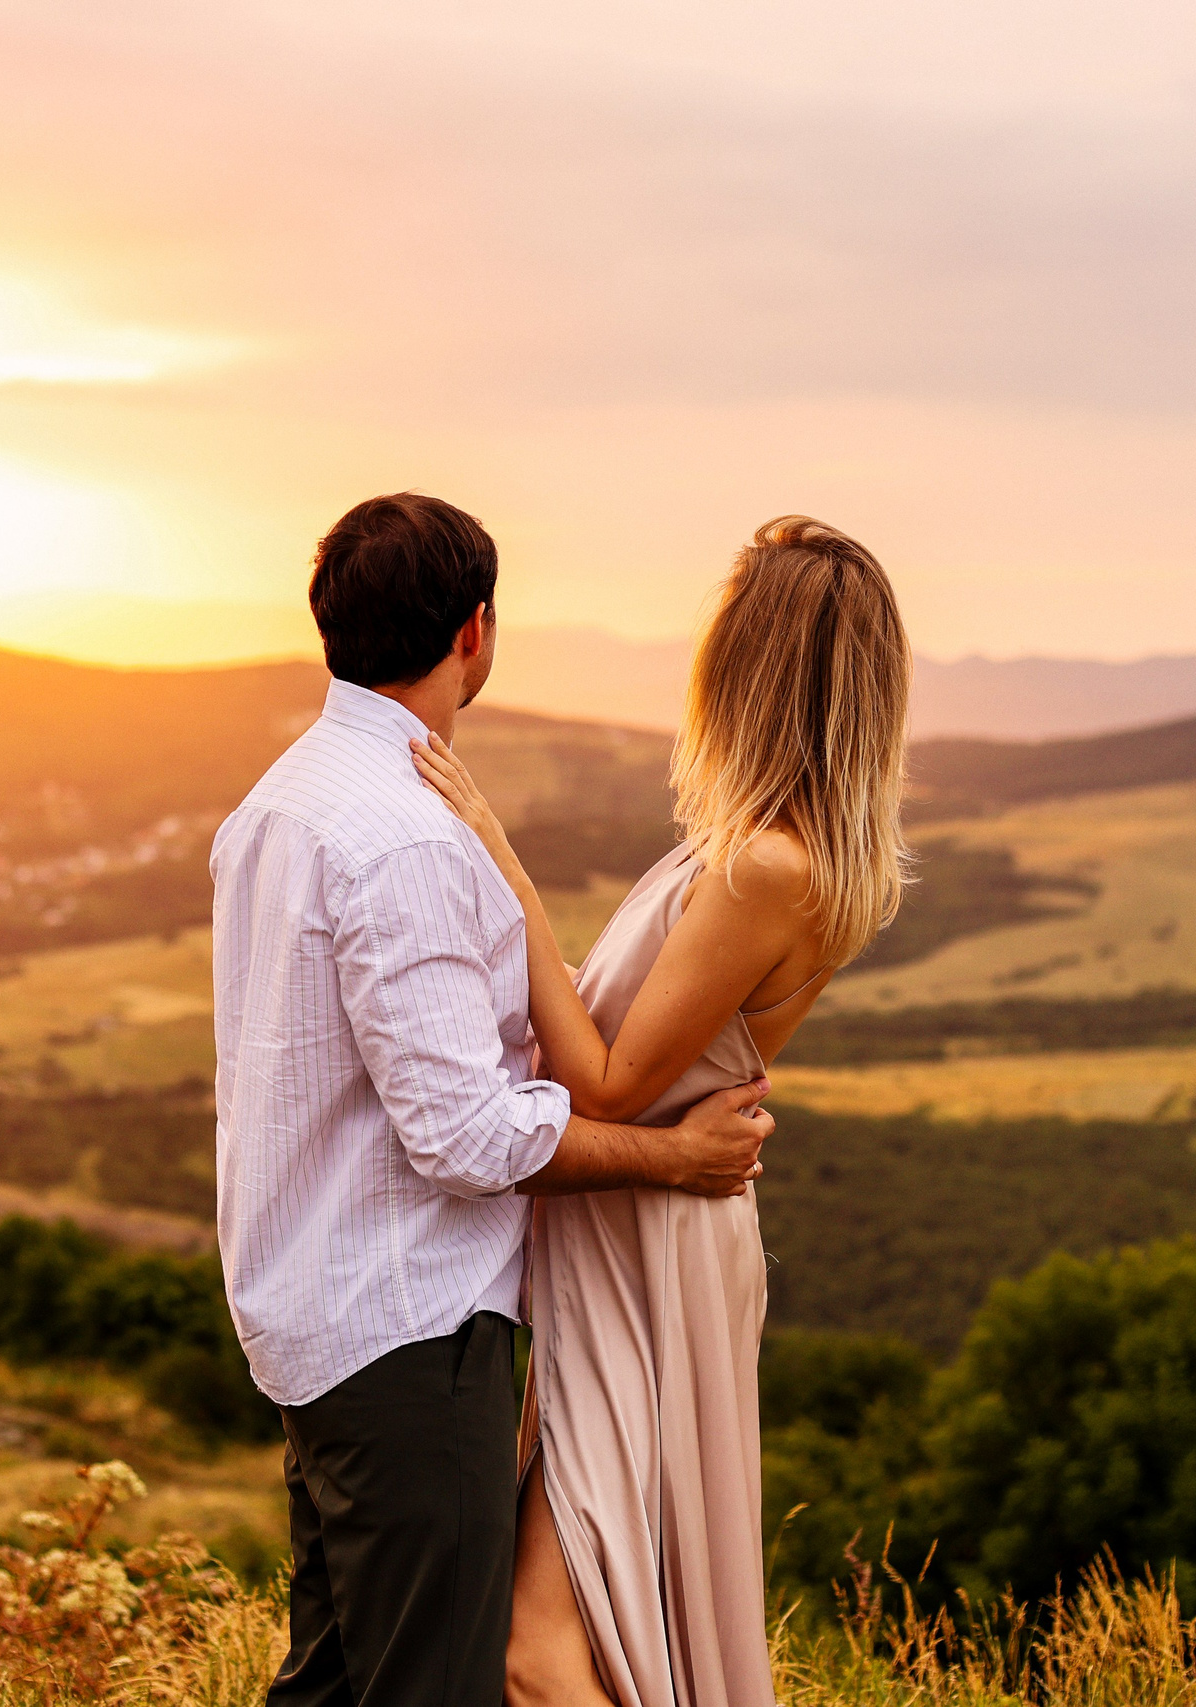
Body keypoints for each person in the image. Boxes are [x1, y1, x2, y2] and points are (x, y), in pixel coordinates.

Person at [211, 492, 779, 1707]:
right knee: (432, 1685)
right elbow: (466, 1137)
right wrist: (668, 1159)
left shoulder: (277, 804)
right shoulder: (406, 839)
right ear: (474, 632)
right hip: (407, 1330)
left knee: (330, 1681)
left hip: (309, 1314)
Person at [410, 515, 911, 1707]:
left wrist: (494, 853)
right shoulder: (762, 854)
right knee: (574, 1625)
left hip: (650, 1256)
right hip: (635, 1234)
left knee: (536, 1655)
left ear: (748, 668)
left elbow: (612, 1083)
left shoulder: (767, 871)